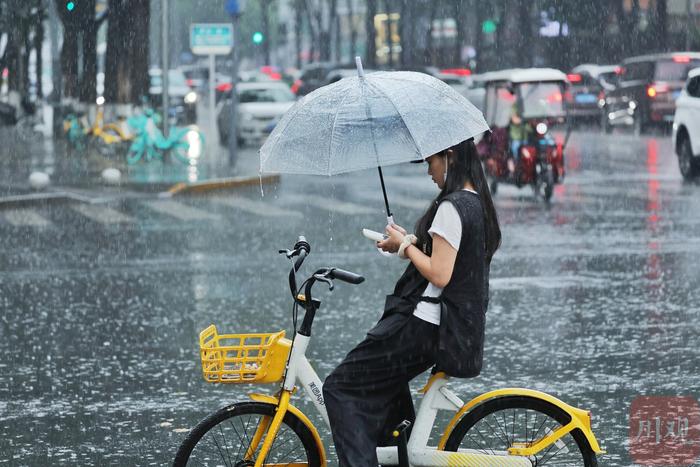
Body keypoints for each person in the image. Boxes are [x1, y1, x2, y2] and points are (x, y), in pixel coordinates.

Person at [322, 138, 502, 467]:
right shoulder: (475, 203)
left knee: (339, 388)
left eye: (431, 162)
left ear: (449, 157)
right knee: (385, 392)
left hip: (424, 327)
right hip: (449, 331)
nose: (429, 171)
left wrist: (406, 248)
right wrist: (407, 241)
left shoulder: (452, 206)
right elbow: (454, 258)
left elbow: (441, 273)